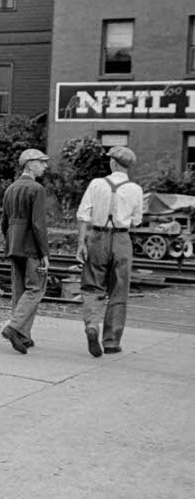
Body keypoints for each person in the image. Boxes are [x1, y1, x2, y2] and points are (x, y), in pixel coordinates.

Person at [75, 145, 144, 357]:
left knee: (92, 285)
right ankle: (112, 341)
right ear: (127, 167)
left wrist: (81, 243)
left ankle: (92, 325)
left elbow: (83, 215)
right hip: (122, 239)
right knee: (119, 290)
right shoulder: (136, 189)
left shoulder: (96, 184)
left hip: (98, 237)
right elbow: (137, 220)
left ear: (113, 163)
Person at [0, 148, 50, 354]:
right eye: (42, 162)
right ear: (30, 164)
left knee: (19, 291)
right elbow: (38, 225)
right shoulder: (37, 189)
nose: (45, 166)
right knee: (36, 289)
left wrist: (11, 241)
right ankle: (13, 327)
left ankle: (23, 336)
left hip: (14, 245)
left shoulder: (10, 188)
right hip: (31, 247)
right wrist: (45, 253)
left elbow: (4, 222)